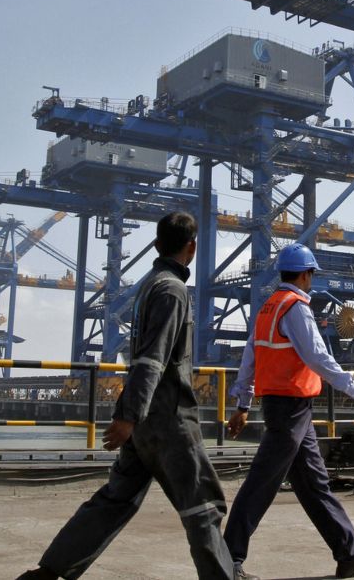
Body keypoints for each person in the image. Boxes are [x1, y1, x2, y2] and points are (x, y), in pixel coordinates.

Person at [19, 212, 236, 580]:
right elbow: (153, 358)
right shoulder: (173, 289)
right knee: (202, 506)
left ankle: (48, 572)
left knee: (114, 500)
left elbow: (138, 358)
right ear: (192, 248)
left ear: (155, 245)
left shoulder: (148, 285)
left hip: (143, 420)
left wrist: (130, 414)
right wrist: (129, 416)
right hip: (168, 418)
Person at [224, 242, 354, 580]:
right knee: (260, 484)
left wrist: (242, 403)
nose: (312, 279)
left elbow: (250, 357)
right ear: (306, 273)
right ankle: (226, 560)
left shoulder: (269, 307)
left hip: (289, 409)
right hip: (290, 409)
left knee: (314, 484)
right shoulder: (295, 307)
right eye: (312, 274)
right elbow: (316, 357)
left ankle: (349, 553)